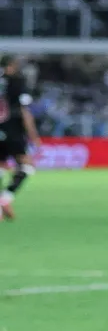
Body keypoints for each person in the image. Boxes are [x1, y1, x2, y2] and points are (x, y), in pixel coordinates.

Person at [0, 55, 40, 221]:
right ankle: (5, 198)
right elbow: (24, 110)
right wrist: (33, 134)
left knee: (1, 165)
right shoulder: (17, 82)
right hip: (13, 130)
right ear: (11, 66)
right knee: (27, 165)